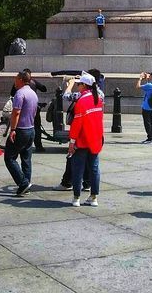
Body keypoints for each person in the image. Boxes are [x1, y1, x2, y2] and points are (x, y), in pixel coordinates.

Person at [66, 72, 103, 206]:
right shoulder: (98, 98)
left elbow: (77, 124)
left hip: (82, 140)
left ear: (84, 85)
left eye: (79, 84)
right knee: (94, 169)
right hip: (95, 139)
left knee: (78, 169)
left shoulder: (82, 101)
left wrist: (72, 142)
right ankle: (94, 197)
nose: (77, 87)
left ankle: (76, 198)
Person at [3, 70, 39, 196]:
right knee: (26, 159)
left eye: (16, 79)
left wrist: (13, 129)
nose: (14, 82)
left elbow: (16, 112)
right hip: (31, 129)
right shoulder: (33, 94)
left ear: (21, 80)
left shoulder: (20, 93)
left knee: (9, 158)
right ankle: (26, 184)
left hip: (21, 130)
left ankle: (23, 183)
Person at [138, 70, 152, 143]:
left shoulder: (149, 85)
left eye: (150, 76)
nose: (149, 76)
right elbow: (148, 87)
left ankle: (149, 137)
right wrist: (147, 79)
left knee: (147, 122)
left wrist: (140, 78)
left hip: (146, 107)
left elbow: (138, 86)